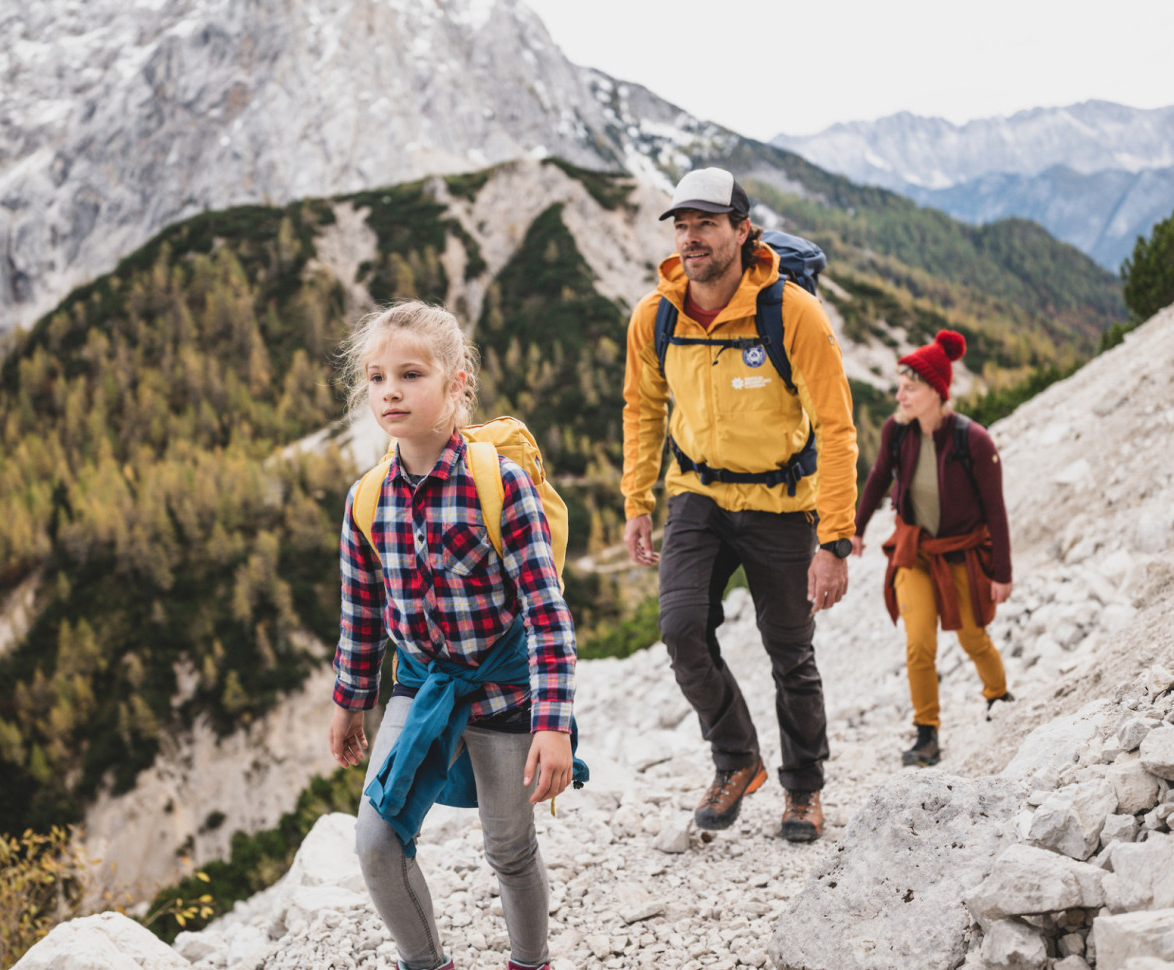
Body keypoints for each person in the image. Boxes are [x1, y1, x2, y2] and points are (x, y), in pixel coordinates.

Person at [328, 301, 575, 970]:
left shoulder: (502, 486)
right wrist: (351, 700)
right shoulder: (366, 499)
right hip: (421, 688)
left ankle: (530, 963)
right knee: (378, 842)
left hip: (503, 696)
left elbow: (546, 615)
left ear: (457, 382)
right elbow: (361, 614)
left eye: (411, 374)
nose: (390, 392)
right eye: (377, 377)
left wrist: (552, 723)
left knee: (509, 850)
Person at [621, 167, 859, 843]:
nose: (691, 238)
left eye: (707, 224)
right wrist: (637, 500)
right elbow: (643, 408)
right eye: (682, 225)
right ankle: (737, 759)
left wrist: (834, 540)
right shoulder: (657, 314)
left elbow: (838, 429)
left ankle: (804, 788)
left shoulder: (791, 312)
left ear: (741, 230)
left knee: (789, 650)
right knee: (680, 628)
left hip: (782, 504)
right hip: (696, 496)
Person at [852, 330, 1014, 767]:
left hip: (961, 552)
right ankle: (927, 734)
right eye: (900, 386)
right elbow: (878, 478)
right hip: (915, 552)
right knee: (918, 643)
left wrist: (1002, 573)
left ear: (936, 392)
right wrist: (856, 529)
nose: (900, 395)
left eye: (911, 387)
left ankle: (999, 698)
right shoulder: (896, 432)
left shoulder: (973, 441)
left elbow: (995, 510)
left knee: (973, 637)